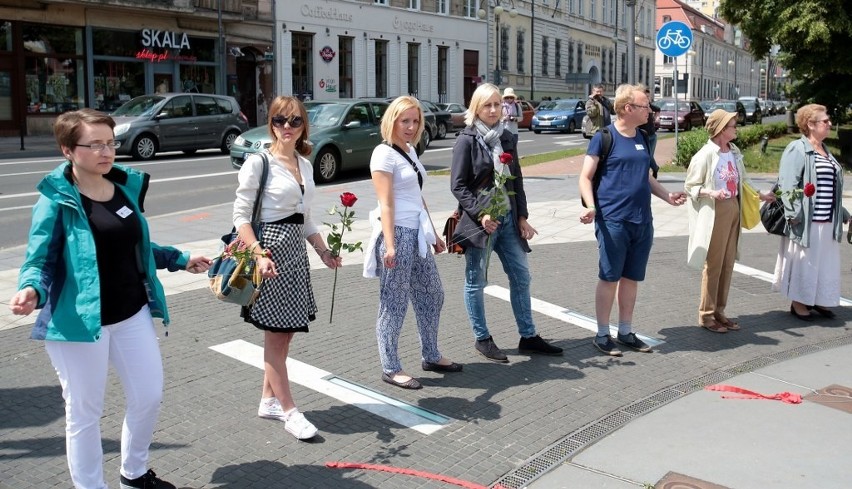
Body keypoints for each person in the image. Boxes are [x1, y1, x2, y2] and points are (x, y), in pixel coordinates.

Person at [7, 108, 212, 489]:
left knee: (148, 395)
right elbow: (39, 260)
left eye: (110, 142)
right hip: (80, 323)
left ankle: (133, 473)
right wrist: (31, 289)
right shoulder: (55, 201)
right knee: (84, 412)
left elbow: (135, 246)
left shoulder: (122, 188)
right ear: (68, 149)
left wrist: (179, 259)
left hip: (131, 312)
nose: (107, 151)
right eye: (95, 144)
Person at [234, 96, 341, 439]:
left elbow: (305, 220)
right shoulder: (258, 163)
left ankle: (268, 400)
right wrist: (258, 253)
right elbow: (240, 216)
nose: (287, 127)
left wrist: (324, 252)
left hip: (295, 255)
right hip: (269, 255)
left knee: (285, 334)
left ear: (303, 125)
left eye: (295, 121)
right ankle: (290, 412)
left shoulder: (305, 165)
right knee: (275, 337)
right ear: (271, 123)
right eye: (280, 120)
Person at [451, 83, 563, 363]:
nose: (492, 110)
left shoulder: (508, 138)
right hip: (481, 225)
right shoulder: (467, 140)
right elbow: (458, 185)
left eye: (497, 104)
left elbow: (516, 180)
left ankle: (528, 336)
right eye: (487, 105)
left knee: (521, 276)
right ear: (476, 108)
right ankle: (483, 338)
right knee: (476, 282)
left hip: (508, 221)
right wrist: (481, 214)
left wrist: (522, 216)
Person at [578, 84, 687, 357]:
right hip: (613, 220)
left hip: (641, 221)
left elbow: (646, 176)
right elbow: (585, 177)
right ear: (628, 108)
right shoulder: (605, 137)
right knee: (610, 277)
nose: (650, 111)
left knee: (631, 278)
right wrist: (591, 206)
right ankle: (602, 334)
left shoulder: (642, 137)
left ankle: (625, 331)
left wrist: (667, 196)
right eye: (645, 106)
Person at [363, 96, 460, 390]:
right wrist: (390, 245)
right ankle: (391, 367)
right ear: (391, 120)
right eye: (404, 120)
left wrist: (433, 235)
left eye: (415, 121)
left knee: (433, 294)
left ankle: (430, 354)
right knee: (394, 303)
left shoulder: (409, 150)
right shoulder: (383, 154)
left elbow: (417, 196)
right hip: (397, 234)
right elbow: (386, 203)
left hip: (416, 234)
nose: (410, 126)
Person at [685, 110, 776, 333]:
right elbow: (690, 187)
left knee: (728, 263)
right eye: (733, 125)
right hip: (716, 212)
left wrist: (759, 195)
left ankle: (719, 311)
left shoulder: (733, 151)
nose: (736, 128)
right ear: (721, 129)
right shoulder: (705, 155)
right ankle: (706, 315)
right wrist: (710, 193)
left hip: (734, 207)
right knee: (714, 265)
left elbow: (743, 179)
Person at [773, 104, 847, 320]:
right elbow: (787, 185)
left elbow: (830, 188)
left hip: (827, 220)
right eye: (825, 121)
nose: (830, 123)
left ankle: (819, 299)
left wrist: (843, 213)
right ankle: (799, 303)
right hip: (806, 221)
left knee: (824, 263)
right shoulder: (797, 149)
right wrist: (794, 214)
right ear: (811, 125)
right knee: (806, 262)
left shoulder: (825, 151)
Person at [641, 86, 661, 159]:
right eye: (646, 96)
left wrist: (654, 119)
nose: (648, 98)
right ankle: (655, 168)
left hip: (652, 134)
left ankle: (654, 168)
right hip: (644, 135)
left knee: (650, 156)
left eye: (648, 96)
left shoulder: (650, 105)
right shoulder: (640, 106)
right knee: (647, 156)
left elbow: (658, 109)